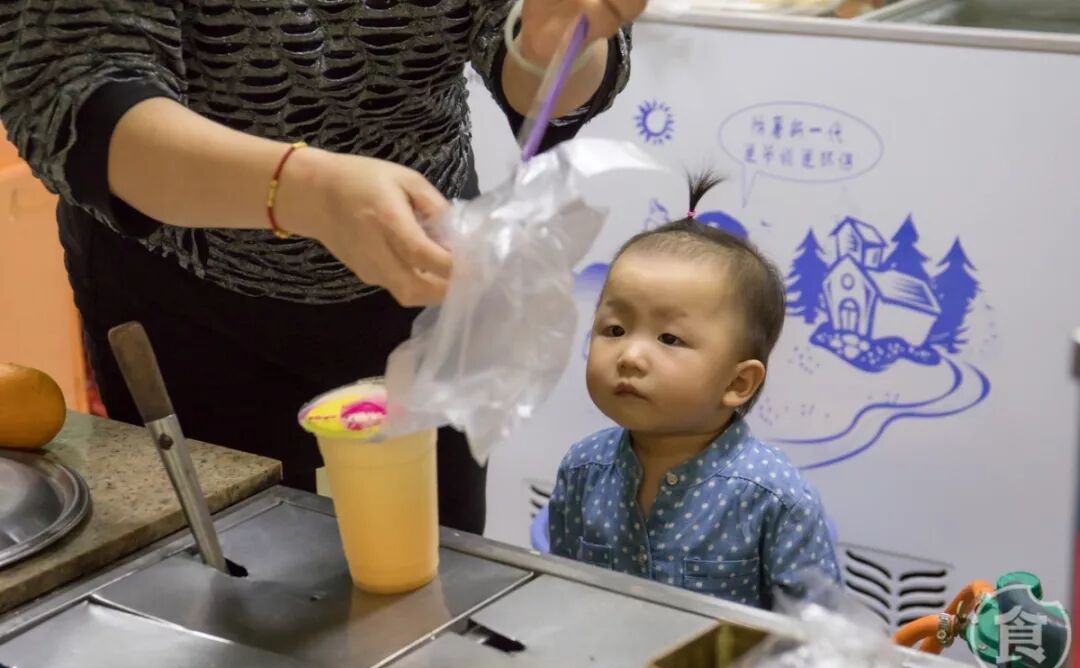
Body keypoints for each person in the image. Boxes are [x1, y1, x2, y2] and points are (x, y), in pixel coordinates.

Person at [0, 0, 643, 535]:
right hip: (186, 299)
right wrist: (303, 192)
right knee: (221, 576)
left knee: (429, 564)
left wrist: (553, 45)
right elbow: (75, 96)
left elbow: (538, 65)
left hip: (421, 286)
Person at [548, 173, 840, 608]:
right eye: (615, 329)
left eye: (669, 338)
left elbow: (816, 632)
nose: (630, 356)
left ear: (737, 383)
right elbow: (561, 592)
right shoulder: (582, 470)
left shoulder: (774, 497)